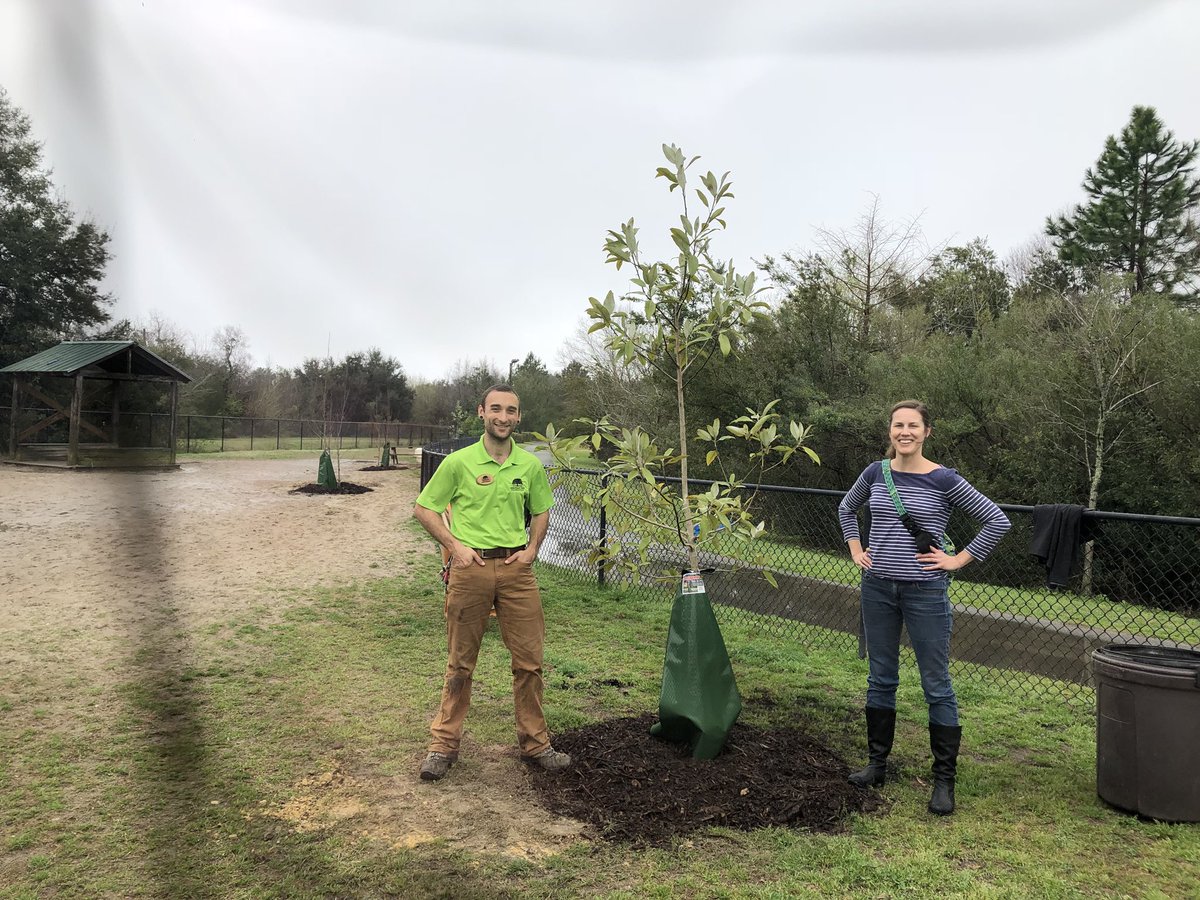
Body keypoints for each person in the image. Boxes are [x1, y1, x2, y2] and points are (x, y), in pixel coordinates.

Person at [837, 400, 1010, 815]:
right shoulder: (876, 472)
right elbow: (847, 507)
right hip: (877, 589)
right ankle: (877, 765)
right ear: (890, 431)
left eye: (913, 426)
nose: (905, 432)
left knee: (937, 684)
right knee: (881, 678)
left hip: (926, 593)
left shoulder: (944, 479)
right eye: (898, 425)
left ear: (927, 432)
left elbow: (997, 520)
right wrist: (856, 547)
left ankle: (943, 782)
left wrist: (957, 560)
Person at [412, 384, 571, 781]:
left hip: (517, 572)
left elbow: (541, 511)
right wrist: (455, 547)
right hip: (471, 570)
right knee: (460, 663)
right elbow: (424, 508)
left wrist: (533, 548)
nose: (503, 417)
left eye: (511, 411)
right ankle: (443, 746)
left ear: (519, 418)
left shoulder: (529, 465)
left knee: (530, 663)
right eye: (496, 409)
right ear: (481, 413)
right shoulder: (459, 463)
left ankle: (536, 745)